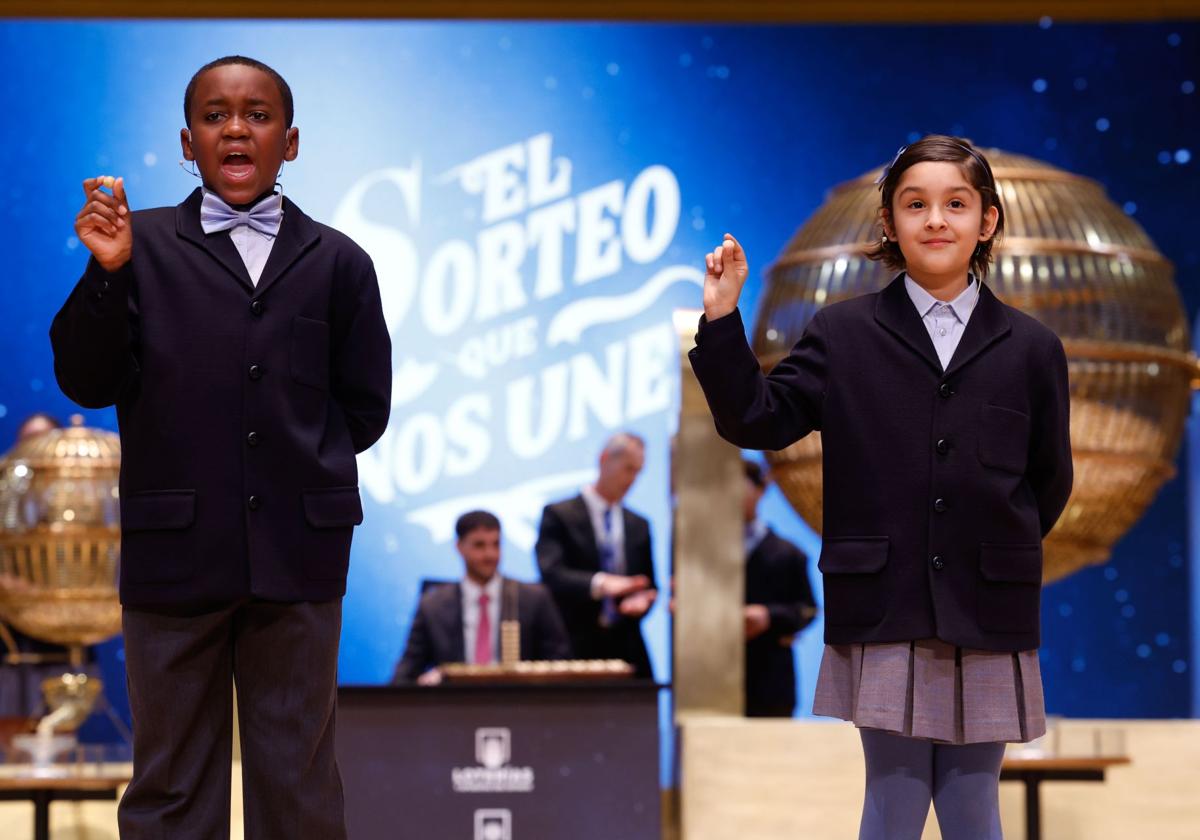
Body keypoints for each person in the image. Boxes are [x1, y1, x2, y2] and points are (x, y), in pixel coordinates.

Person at [688, 135, 1072, 840]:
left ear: (987, 221)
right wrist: (720, 320)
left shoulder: (1033, 347)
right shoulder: (843, 333)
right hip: (884, 604)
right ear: (888, 224)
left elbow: (1049, 481)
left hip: (986, 608)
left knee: (972, 806)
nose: (936, 220)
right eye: (915, 204)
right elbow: (759, 420)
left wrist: (990, 552)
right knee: (892, 804)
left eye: (956, 204)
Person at [50, 56, 391, 840]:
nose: (236, 127)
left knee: (299, 791)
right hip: (174, 561)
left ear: (291, 141)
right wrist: (106, 276)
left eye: (258, 113)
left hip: (299, 562)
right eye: (215, 114)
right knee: (171, 788)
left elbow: (365, 409)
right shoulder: (134, 245)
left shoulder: (341, 262)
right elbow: (84, 378)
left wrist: (300, 475)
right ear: (187, 141)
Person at [393, 510, 570, 685]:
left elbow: (559, 663)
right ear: (459, 547)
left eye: (496, 544)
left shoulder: (533, 598)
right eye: (479, 545)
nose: (490, 554)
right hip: (455, 706)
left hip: (518, 705)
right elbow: (403, 676)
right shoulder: (433, 606)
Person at [535, 433, 658, 678]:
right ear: (604, 460)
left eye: (638, 472)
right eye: (628, 469)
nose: (632, 479)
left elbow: (648, 583)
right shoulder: (560, 514)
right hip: (573, 644)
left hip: (627, 647)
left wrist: (642, 601)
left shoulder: (638, 524)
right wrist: (602, 583)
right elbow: (552, 574)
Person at [741, 459, 817, 718]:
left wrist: (768, 616)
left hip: (771, 679)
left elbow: (808, 610)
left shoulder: (789, 552)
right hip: (711, 681)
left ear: (760, 490)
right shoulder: (705, 553)